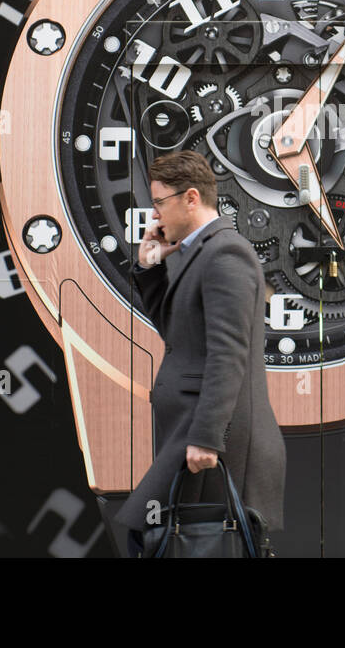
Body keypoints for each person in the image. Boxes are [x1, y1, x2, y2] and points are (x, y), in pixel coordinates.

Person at [116, 150, 286, 556]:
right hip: (194, 435)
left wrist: (207, 439)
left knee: (164, 538)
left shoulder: (226, 253)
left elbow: (229, 354)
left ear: (190, 198)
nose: (154, 215)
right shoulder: (199, 251)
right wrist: (151, 268)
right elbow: (179, 333)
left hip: (216, 441)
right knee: (158, 539)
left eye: (159, 202)